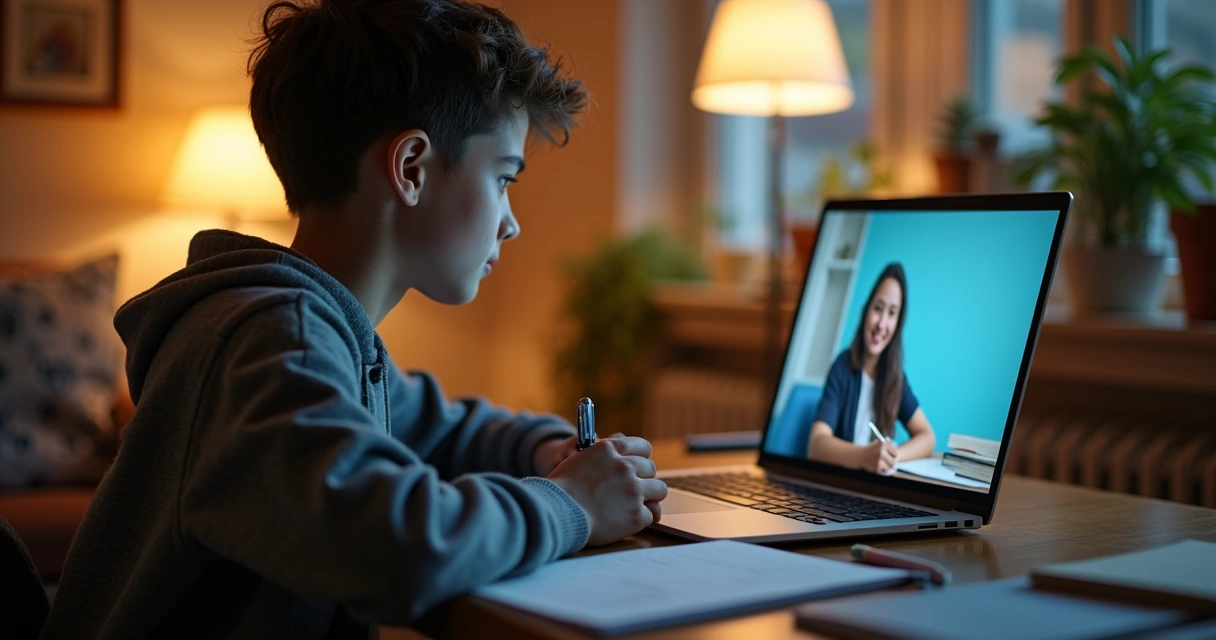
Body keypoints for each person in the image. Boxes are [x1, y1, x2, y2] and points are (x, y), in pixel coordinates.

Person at [40, 1, 666, 637]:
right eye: (503, 178)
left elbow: (437, 427)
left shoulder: (313, 330)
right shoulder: (268, 339)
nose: (511, 222)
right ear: (411, 168)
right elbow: (394, 548)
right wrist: (571, 504)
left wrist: (541, 446)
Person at [806, 262, 936, 474]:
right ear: (866, 310)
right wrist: (864, 457)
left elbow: (928, 437)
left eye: (892, 313)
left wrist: (891, 457)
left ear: (898, 324)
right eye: (878, 308)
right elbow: (816, 444)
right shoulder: (842, 366)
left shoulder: (896, 378)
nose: (882, 323)